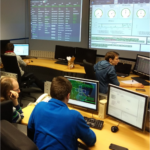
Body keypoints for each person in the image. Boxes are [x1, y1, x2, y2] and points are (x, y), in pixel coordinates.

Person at [28, 76, 96, 150]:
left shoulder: (39, 106)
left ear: (51, 93)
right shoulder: (74, 116)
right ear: (68, 96)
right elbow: (91, 140)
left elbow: (30, 130)